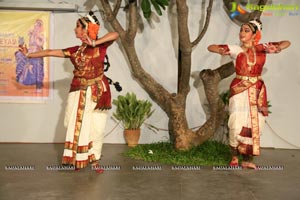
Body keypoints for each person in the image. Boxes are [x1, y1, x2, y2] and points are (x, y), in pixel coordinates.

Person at [19, 11, 119, 173]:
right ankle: (78, 158)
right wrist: (29, 54)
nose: (74, 30)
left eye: (77, 27)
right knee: (73, 123)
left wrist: (95, 43)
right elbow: (51, 52)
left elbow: (115, 34)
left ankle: (94, 159)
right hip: (79, 91)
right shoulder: (75, 50)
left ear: (86, 29)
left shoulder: (100, 45)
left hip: (99, 91)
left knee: (97, 127)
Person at [207, 19, 290, 169]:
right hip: (239, 89)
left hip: (257, 90)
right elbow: (210, 47)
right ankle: (234, 155)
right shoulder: (235, 49)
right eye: (241, 30)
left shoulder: (261, 48)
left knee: (255, 123)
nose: (242, 33)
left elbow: (286, 43)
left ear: (255, 34)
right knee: (236, 122)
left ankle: (247, 159)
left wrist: (275, 48)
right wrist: (221, 49)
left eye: (246, 30)